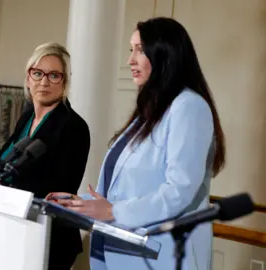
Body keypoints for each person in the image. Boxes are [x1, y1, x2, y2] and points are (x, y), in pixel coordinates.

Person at [47, 17, 226, 270]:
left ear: (166, 54)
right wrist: (79, 203)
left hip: (162, 256)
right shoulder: (148, 114)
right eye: (131, 50)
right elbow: (125, 191)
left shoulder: (189, 107)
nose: (130, 60)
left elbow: (179, 191)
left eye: (140, 50)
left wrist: (112, 212)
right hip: (124, 253)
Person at [0, 42, 91, 270]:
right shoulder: (26, 117)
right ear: (28, 78)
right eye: (38, 73)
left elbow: (60, 188)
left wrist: (1, 186)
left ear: (65, 82)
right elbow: (5, 162)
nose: (44, 82)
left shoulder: (73, 127)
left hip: (48, 238)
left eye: (54, 75)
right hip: (9, 228)